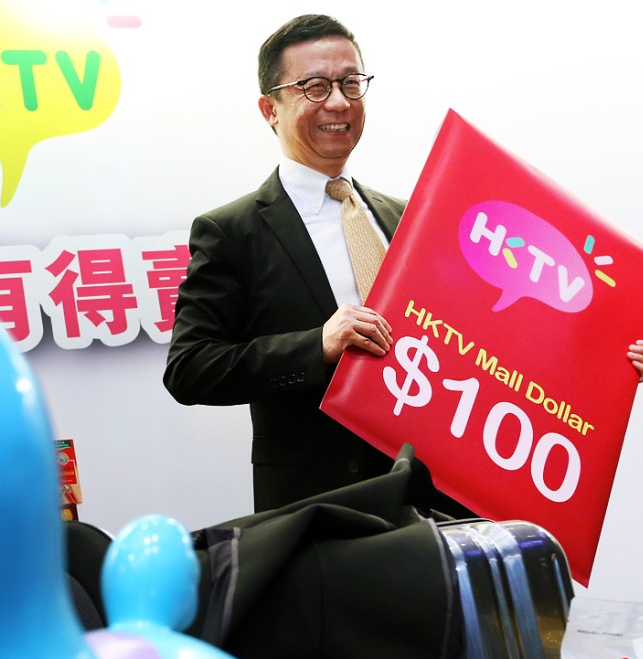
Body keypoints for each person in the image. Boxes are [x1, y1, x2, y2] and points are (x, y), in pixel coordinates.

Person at [162, 14, 643, 515]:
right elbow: (190, 369)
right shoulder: (232, 231)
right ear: (270, 109)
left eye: (351, 82)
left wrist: (611, 363)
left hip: (441, 500)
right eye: (314, 86)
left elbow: (491, 339)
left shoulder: (413, 218)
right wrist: (316, 346)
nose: (339, 102)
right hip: (324, 509)